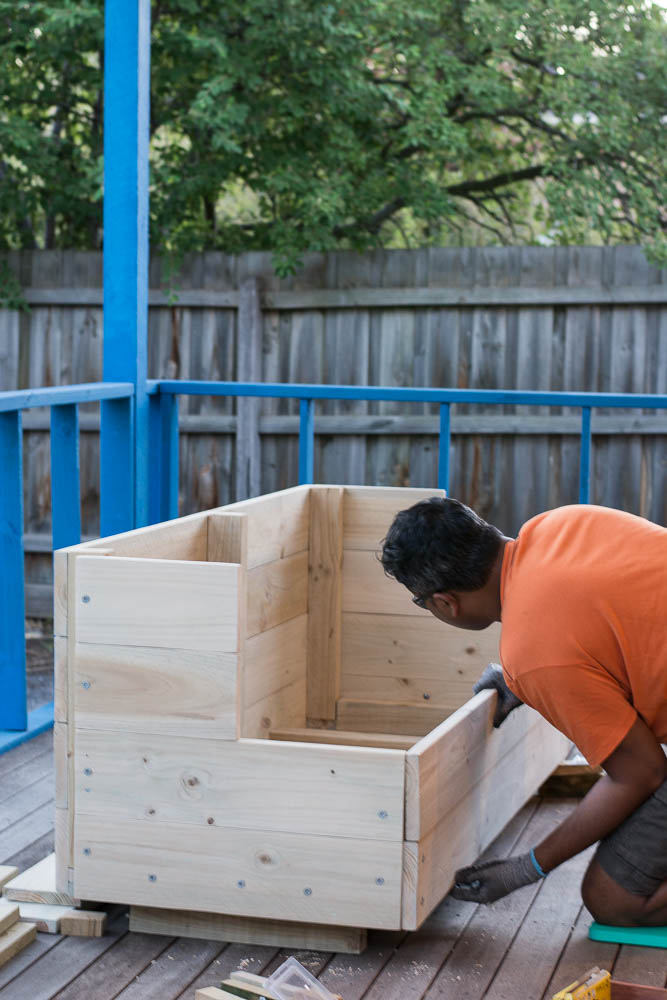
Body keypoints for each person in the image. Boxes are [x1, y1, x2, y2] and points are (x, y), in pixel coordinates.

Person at [380, 497, 667, 926]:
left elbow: (643, 772)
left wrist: (528, 867)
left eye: (422, 603)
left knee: (613, 899)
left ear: (444, 602)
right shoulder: (563, 522)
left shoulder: (535, 654)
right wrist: (523, 682)